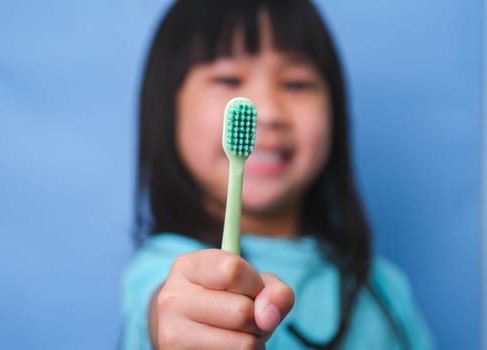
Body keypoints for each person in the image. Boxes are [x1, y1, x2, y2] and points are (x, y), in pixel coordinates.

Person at [122, 0, 435, 349]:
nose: (267, 111)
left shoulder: (385, 290)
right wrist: (173, 322)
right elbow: (164, 310)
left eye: (296, 84)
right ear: (167, 111)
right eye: (229, 78)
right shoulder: (164, 270)